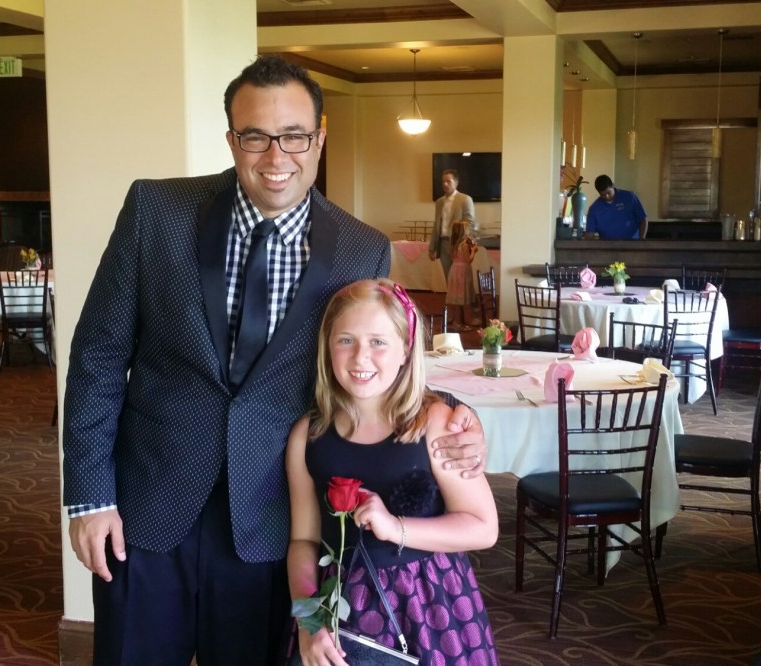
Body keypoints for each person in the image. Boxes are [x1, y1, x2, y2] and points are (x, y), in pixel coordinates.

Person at [62, 55, 488, 666]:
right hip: (144, 509)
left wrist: (453, 413)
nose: (275, 156)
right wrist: (89, 497)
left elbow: (373, 361)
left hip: (270, 520)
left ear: (319, 137)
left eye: (293, 136)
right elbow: (98, 354)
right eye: (255, 137)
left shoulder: (360, 247)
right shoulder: (156, 211)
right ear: (231, 139)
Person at [287, 279, 500, 665]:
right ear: (327, 347)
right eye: (346, 340)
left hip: (431, 603)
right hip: (341, 606)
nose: (360, 358)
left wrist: (395, 528)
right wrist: (308, 621)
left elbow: (483, 528)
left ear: (405, 349)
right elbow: (303, 540)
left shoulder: (435, 422)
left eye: (378, 342)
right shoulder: (308, 435)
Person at [428, 169, 476, 279]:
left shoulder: (465, 199)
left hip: (459, 245)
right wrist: (432, 248)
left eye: (448, 181)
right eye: (443, 181)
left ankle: (461, 292)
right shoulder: (439, 202)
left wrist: (463, 245)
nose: (445, 184)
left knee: (460, 277)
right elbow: (437, 225)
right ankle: (450, 291)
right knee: (448, 276)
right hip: (443, 244)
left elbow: (469, 223)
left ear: (456, 183)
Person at [586, 174, 649, 240]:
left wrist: (641, 239)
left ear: (613, 186)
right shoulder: (594, 209)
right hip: (608, 245)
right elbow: (589, 233)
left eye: (609, 192)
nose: (607, 196)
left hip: (632, 243)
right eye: (603, 195)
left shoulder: (629, 197)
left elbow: (643, 219)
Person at [444, 221, 478, 331]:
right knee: (461, 297)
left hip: (455, 269)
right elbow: (468, 260)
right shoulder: (464, 244)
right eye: (467, 229)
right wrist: (473, 251)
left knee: (457, 298)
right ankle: (458, 323)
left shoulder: (453, 244)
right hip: (462, 271)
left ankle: (458, 321)